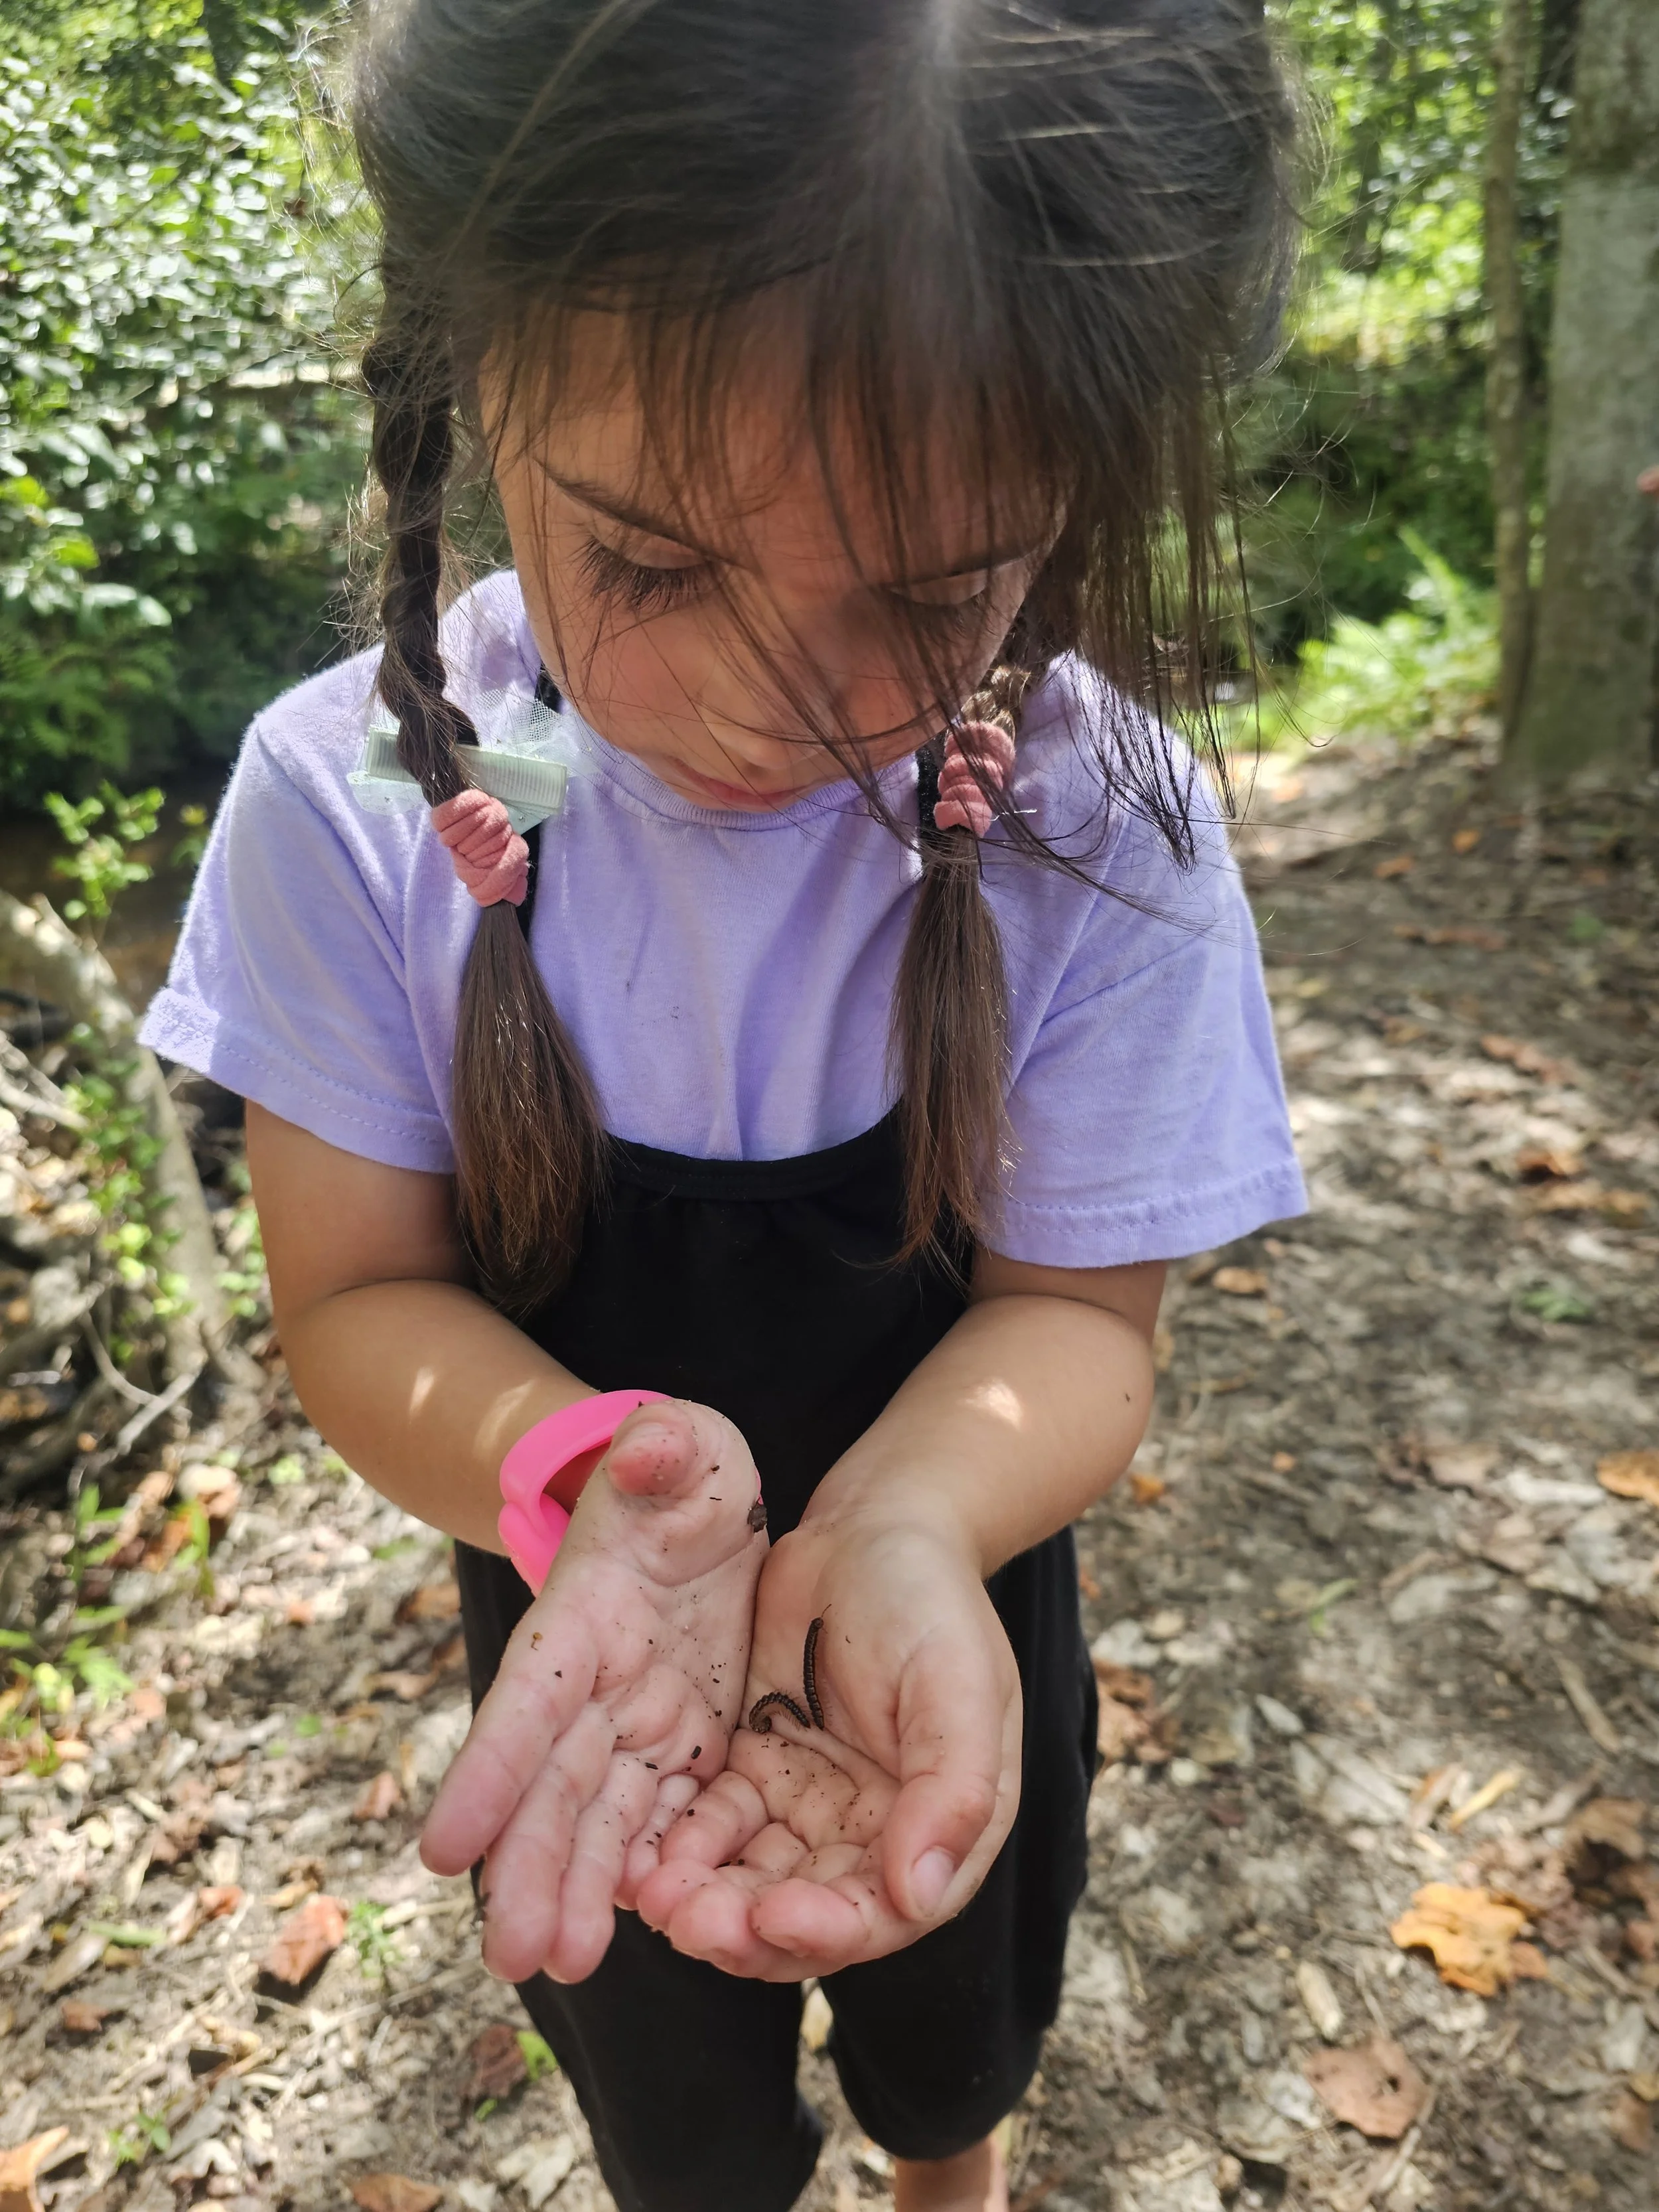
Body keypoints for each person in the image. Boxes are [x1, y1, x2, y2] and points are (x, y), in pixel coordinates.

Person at [141, 5, 1307, 2209]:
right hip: (591, 1620)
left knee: (951, 2037)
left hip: (947, 1583)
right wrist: (565, 1466)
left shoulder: (1103, 822)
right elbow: (360, 1293)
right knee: (673, 2110)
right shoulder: (358, 796)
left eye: (930, 588)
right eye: (652, 561)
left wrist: (898, 1529)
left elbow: (1079, 1317)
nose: (774, 701)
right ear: (463, 364)